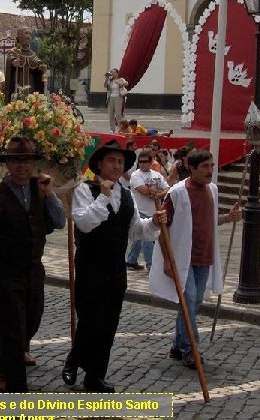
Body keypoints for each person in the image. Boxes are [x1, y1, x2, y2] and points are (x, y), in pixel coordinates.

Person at [0, 137, 66, 392]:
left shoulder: (41, 189)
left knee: (31, 323)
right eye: (15, 160)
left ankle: (2, 360)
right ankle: (16, 390)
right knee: (11, 330)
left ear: (33, 163)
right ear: (7, 163)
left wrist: (50, 193)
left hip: (33, 269)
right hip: (4, 271)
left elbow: (60, 221)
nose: (21, 166)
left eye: (26, 160)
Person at [62, 140, 163, 392]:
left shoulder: (127, 195)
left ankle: (95, 376)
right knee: (91, 319)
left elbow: (136, 230)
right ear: (99, 164)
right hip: (90, 265)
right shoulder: (85, 190)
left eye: (120, 162)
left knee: (109, 323)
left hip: (116, 268)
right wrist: (103, 198)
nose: (117, 166)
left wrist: (155, 223)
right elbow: (84, 223)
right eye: (112, 161)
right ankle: (74, 361)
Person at [149, 150, 241, 368]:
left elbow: (208, 220)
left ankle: (177, 345)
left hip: (204, 255)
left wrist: (228, 218)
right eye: (205, 167)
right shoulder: (178, 192)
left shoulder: (213, 189)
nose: (210, 171)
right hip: (183, 257)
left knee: (193, 301)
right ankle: (190, 348)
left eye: (212, 166)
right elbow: (163, 225)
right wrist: (167, 259)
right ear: (192, 168)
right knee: (189, 299)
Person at [126, 148, 170, 271]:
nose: (143, 164)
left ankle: (131, 260)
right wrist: (157, 193)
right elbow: (143, 190)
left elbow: (166, 188)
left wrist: (159, 195)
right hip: (139, 210)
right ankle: (151, 264)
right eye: (140, 161)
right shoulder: (135, 175)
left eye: (145, 161)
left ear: (151, 162)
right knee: (147, 239)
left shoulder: (157, 175)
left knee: (139, 238)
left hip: (154, 210)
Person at [104, 68, 128, 132]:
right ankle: (112, 129)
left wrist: (118, 82)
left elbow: (126, 83)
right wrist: (106, 78)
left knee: (118, 114)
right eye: (111, 72)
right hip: (110, 98)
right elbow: (105, 85)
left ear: (117, 73)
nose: (112, 74)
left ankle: (120, 128)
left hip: (118, 97)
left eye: (114, 72)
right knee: (110, 114)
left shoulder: (121, 79)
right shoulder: (110, 80)